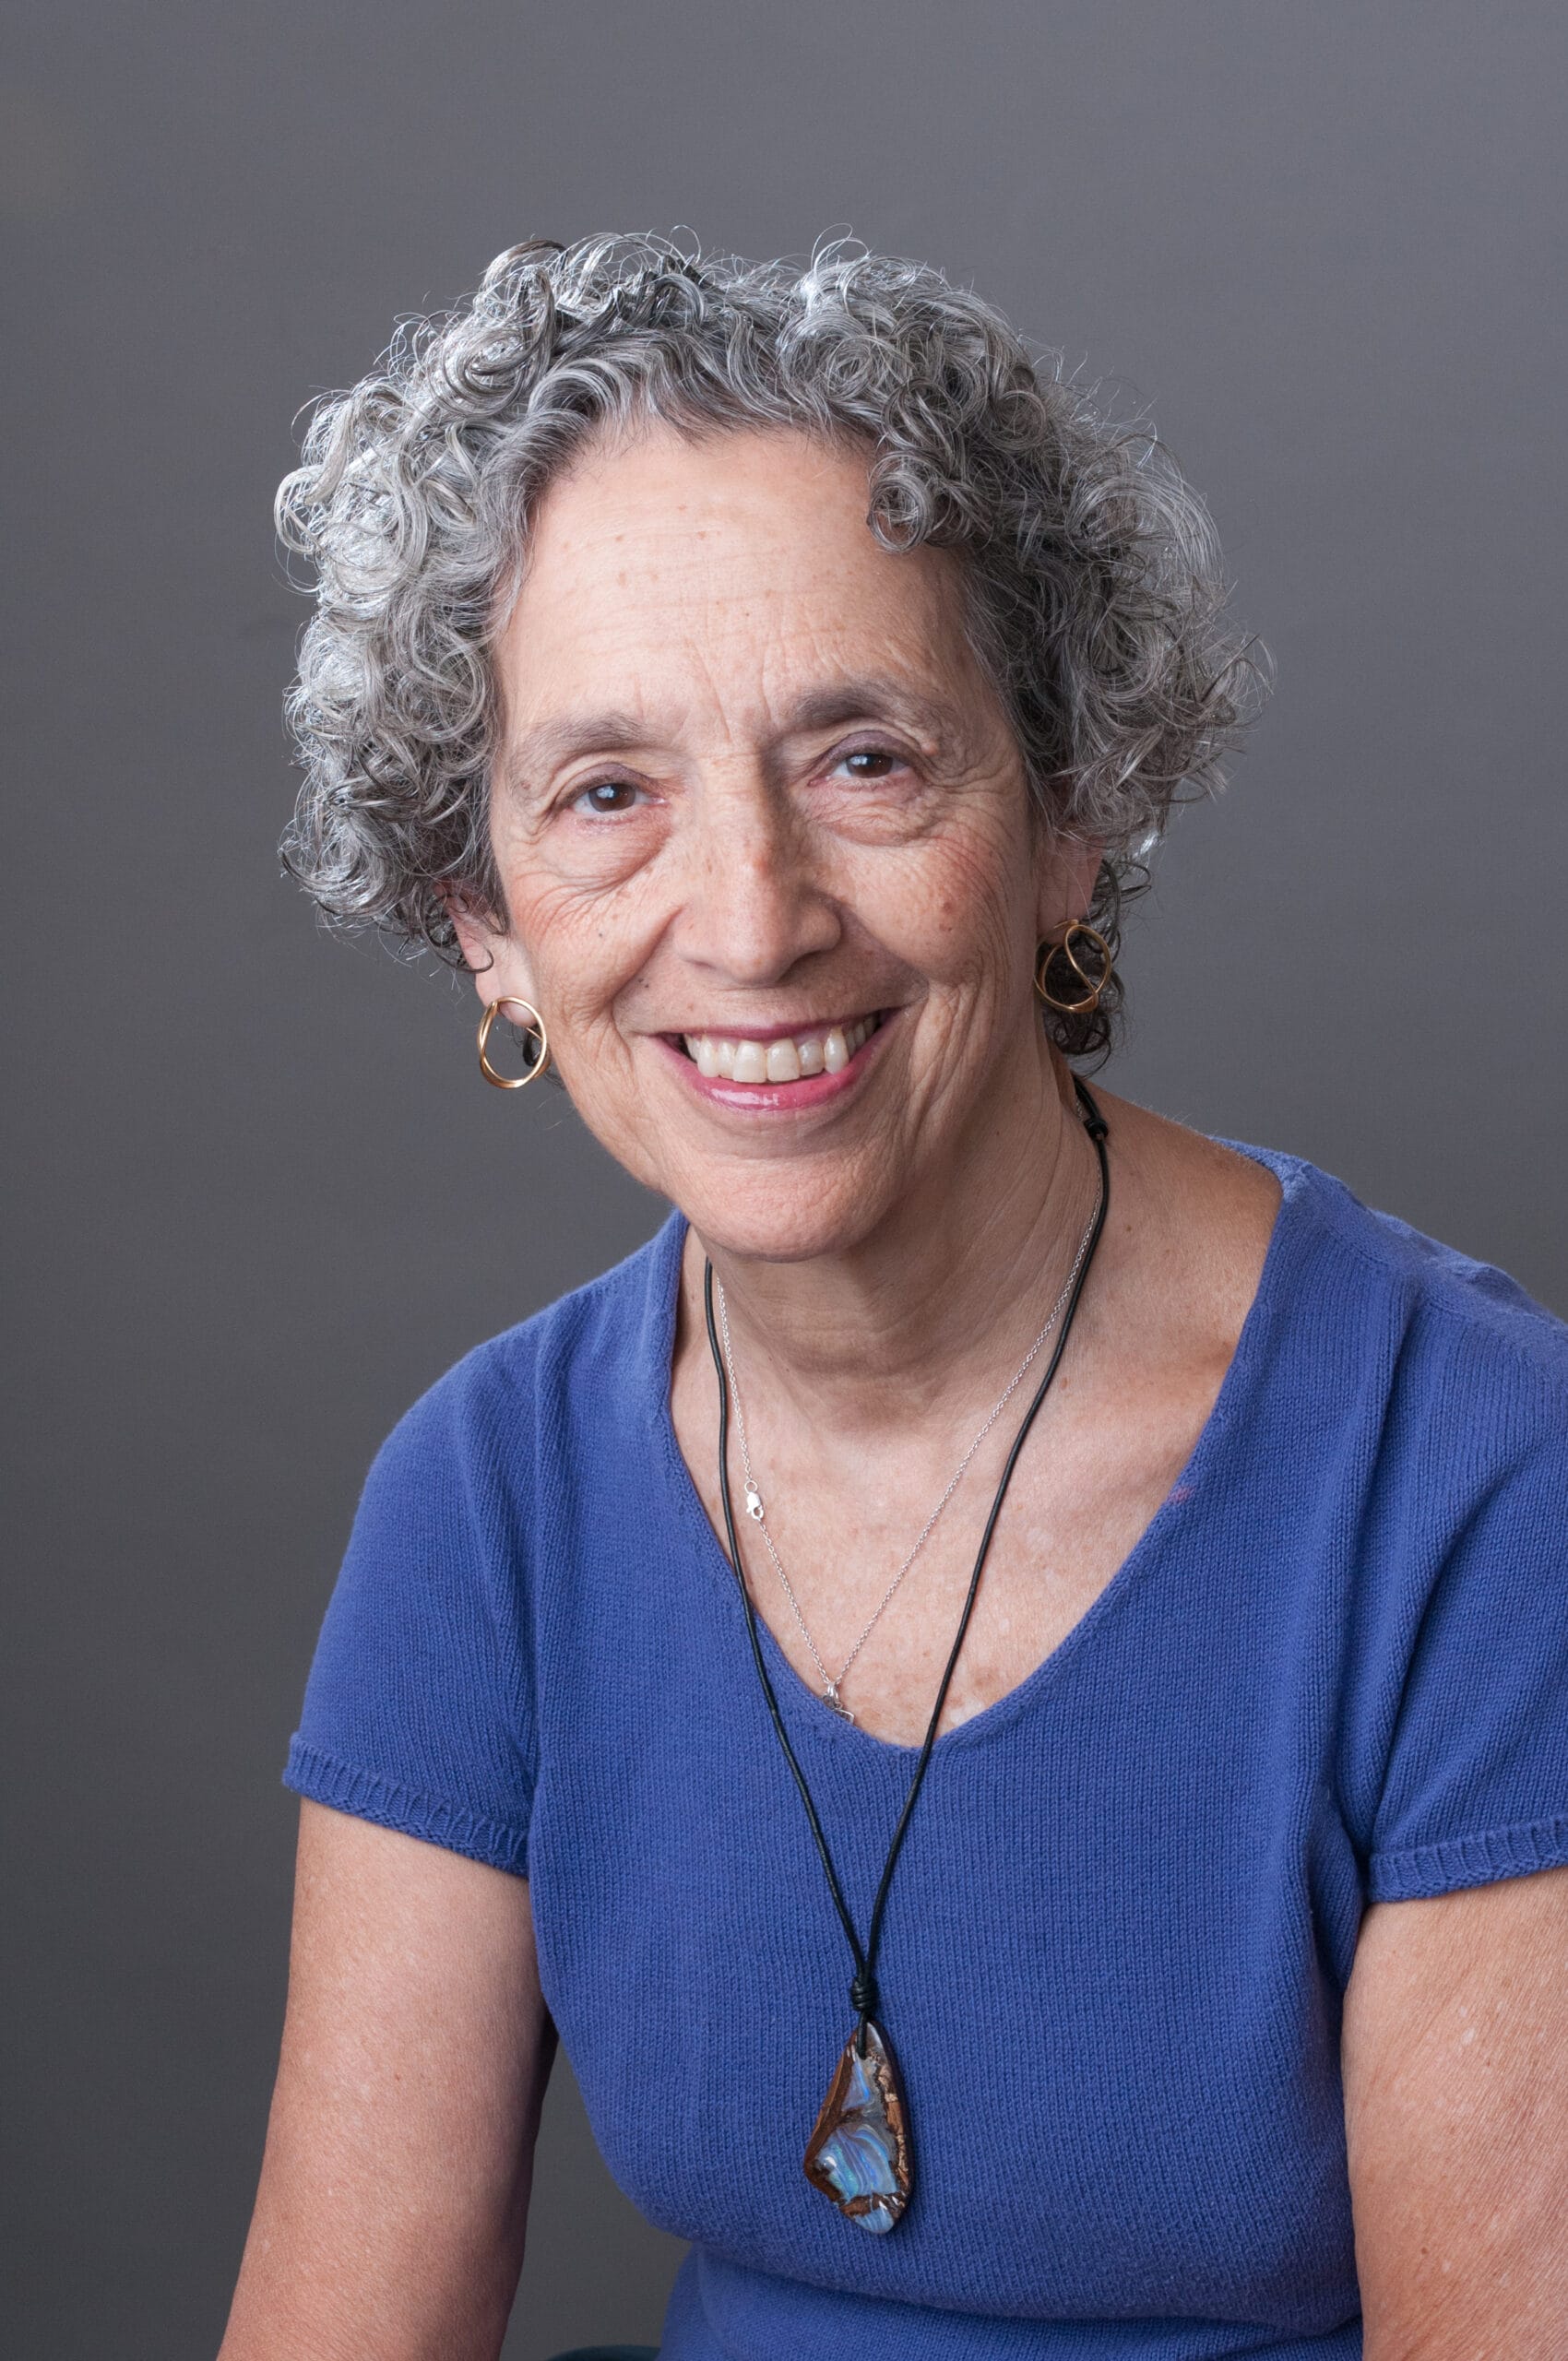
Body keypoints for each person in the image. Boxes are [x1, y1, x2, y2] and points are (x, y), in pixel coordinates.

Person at [220, 234, 1568, 2361]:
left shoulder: (1480, 1481)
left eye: (862, 757)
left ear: (1067, 819)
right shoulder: (486, 1497)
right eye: (607, 793)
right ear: (482, 918)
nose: (747, 920)